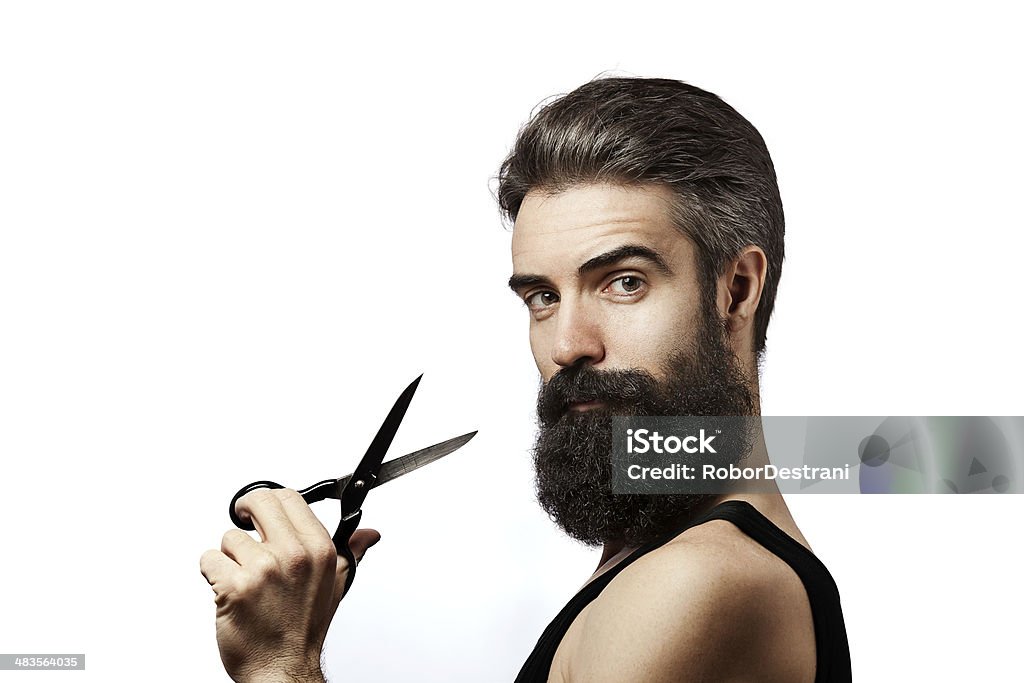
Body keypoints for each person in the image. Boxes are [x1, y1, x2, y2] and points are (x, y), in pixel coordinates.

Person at [200, 76, 852, 682]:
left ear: (736, 289)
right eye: (542, 296)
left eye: (624, 282)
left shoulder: (697, 580)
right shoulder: (668, 556)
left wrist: (281, 662)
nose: (567, 344)